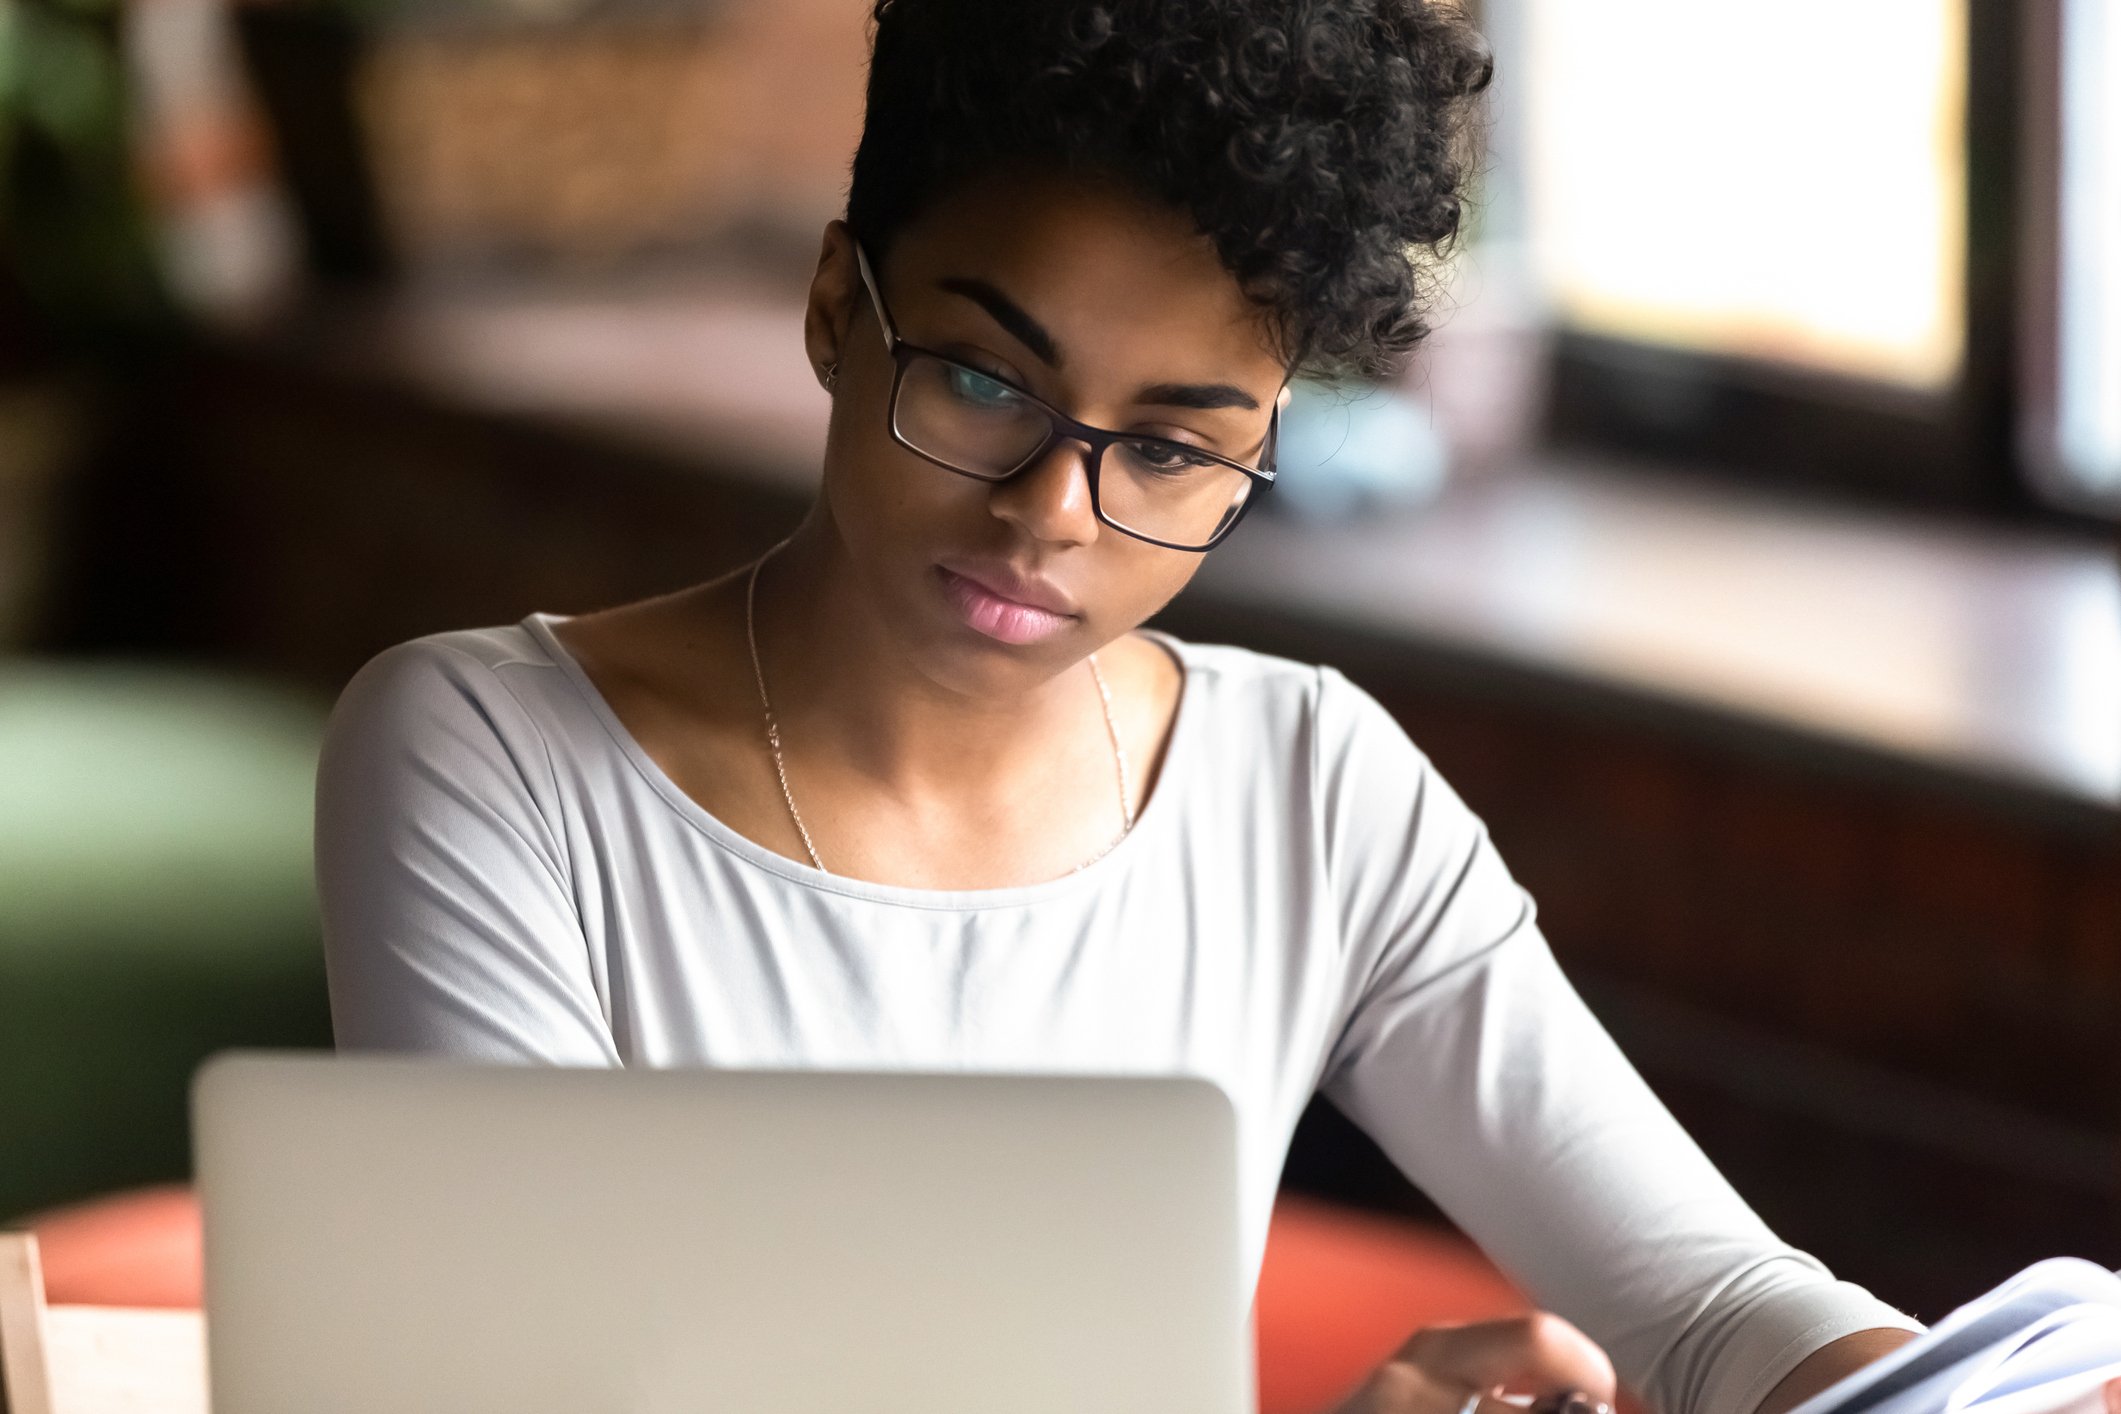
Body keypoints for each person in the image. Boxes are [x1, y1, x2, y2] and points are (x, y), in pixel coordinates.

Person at [312, 3, 1962, 1413]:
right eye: (981, 379)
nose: (1054, 512)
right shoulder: (489, 760)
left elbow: (1702, 1301)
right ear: (837, 309)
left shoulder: (1306, 788)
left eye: (1169, 447)